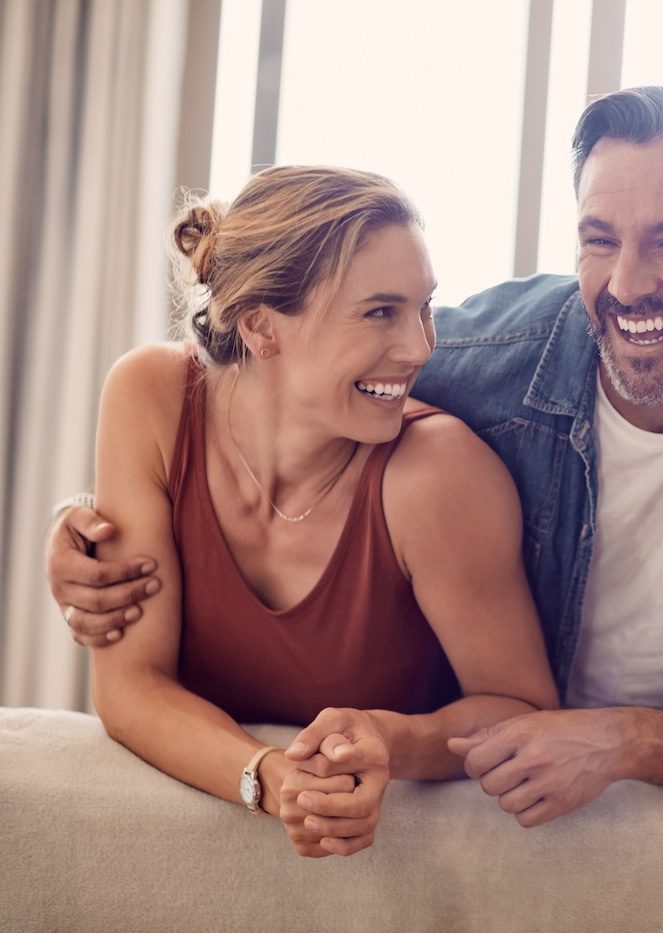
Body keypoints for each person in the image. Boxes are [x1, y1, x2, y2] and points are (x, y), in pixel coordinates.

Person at [48, 87, 663, 829]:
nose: (628, 283)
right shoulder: (478, 362)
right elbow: (294, 384)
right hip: (510, 794)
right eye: (599, 238)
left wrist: (620, 738)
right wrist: (94, 525)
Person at [65, 165, 558, 856]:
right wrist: (266, 778)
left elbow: (524, 712)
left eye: (424, 307)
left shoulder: (437, 474)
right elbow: (130, 687)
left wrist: (390, 738)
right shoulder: (150, 397)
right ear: (261, 327)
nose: (420, 347)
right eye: (380, 312)